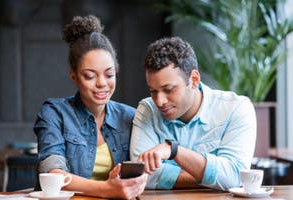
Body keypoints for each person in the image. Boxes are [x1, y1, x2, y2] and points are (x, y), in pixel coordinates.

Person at [34, 15, 147, 199]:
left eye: (109, 74)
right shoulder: (54, 113)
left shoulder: (131, 117)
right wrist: (107, 189)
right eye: (90, 76)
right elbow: (54, 175)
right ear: (74, 76)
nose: (102, 83)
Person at [130, 37, 256, 191]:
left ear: (194, 79)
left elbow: (235, 177)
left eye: (168, 89)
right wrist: (211, 177)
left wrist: (174, 151)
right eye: (153, 91)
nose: (159, 101)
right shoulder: (147, 110)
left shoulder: (236, 108)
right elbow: (142, 175)